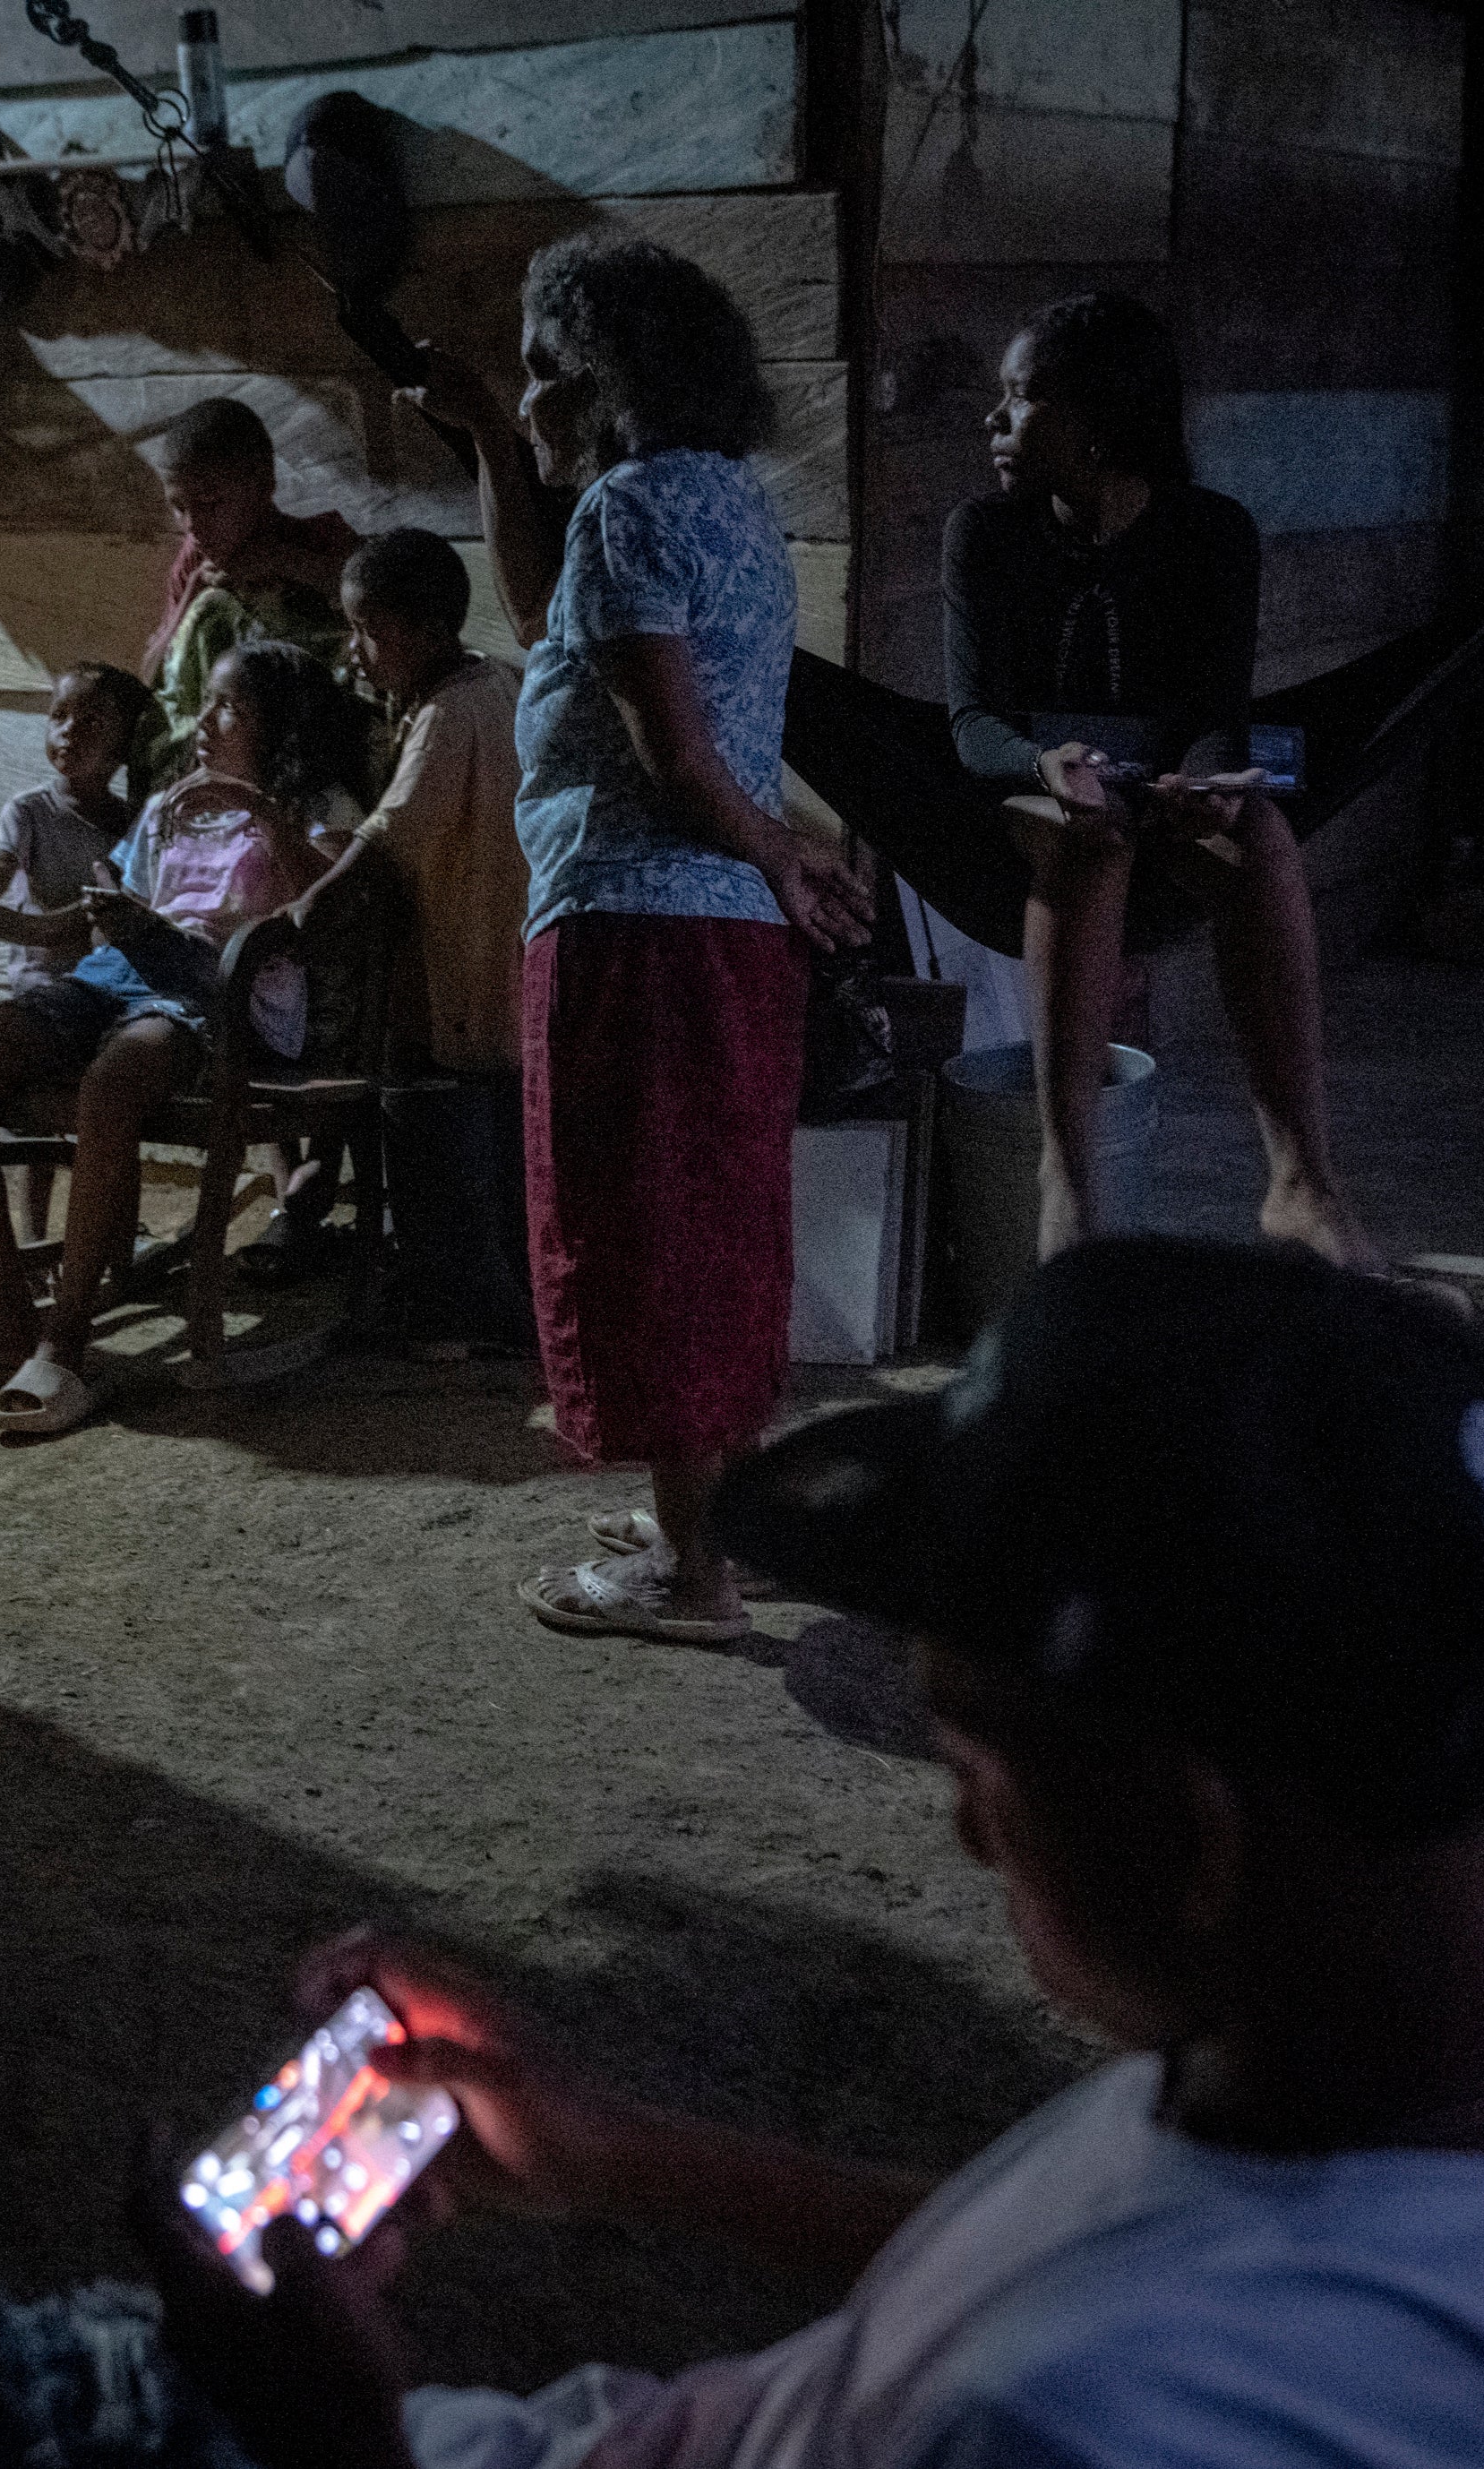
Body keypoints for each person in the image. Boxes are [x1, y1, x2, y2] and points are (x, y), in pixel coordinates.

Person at [0, 1238, 1484, 2469]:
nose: (948, 1815)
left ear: (1193, 1831)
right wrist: (613, 2145)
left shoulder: (1097, 2426)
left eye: (981, 1769)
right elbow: (1079, 2237)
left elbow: (1077, 2343)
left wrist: (333, 2425)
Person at [399, 235, 873, 1645]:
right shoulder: (724, 500)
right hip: (721, 938)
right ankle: (717, 1516)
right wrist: (485, 430)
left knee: (643, 1233)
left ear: (606, 385)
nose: (534, 399)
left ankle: (690, 1577)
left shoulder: (618, 513)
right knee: (715, 1222)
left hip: (635, 931)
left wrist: (782, 848)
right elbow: (554, 620)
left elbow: (672, 758)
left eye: (544, 377)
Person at [947, 292, 1374, 1265]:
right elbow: (971, 723)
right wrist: (1044, 764)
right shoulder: (985, 533)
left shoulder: (1210, 533)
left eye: (1022, 399)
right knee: (1086, 834)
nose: (995, 421)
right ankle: (1071, 1180)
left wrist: (1208, 778)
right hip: (1028, 796)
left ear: (1097, 421)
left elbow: (1218, 707)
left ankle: (1301, 1181)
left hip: (1159, 785)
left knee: (1255, 832)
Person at [0, 641, 363, 1434]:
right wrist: (114, 908)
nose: (203, 722)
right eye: (206, 705)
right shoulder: (172, 802)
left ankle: (65, 1345)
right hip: (119, 971)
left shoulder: (318, 801)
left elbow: (333, 908)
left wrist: (261, 810)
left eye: (227, 708)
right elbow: (125, 892)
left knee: (112, 1082)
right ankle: (6, 1320)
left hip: (218, 990)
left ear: (276, 727)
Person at [286, 529, 533, 1355]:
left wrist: (306, 908)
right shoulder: (502, 681)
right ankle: (505, 1302)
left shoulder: (447, 711)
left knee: (430, 1123)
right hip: (506, 952)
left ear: (427, 632)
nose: (356, 654)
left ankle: (454, 1311)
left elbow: (390, 834)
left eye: (370, 632)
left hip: (457, 962)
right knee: (500, 1132)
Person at [0, 661, 155, 1278]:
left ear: (124, 745)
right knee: (33, 1129)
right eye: (59, 716)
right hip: (42, 988)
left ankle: (115, 1242)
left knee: (116, 1103)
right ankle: (35, 1240)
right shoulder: (30, 811)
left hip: (111, 997)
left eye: (90, 722)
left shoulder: (131, 824)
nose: (69, 732)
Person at [139, 397, 361, 795]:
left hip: (312, 759)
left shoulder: (321, 541)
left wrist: (286, 563)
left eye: (210, 503)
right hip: (216, 762)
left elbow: (377, 616)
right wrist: (192, 597)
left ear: (263, 484)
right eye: (179, 508)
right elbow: (153, 675)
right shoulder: (193, 564)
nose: (194, 526)